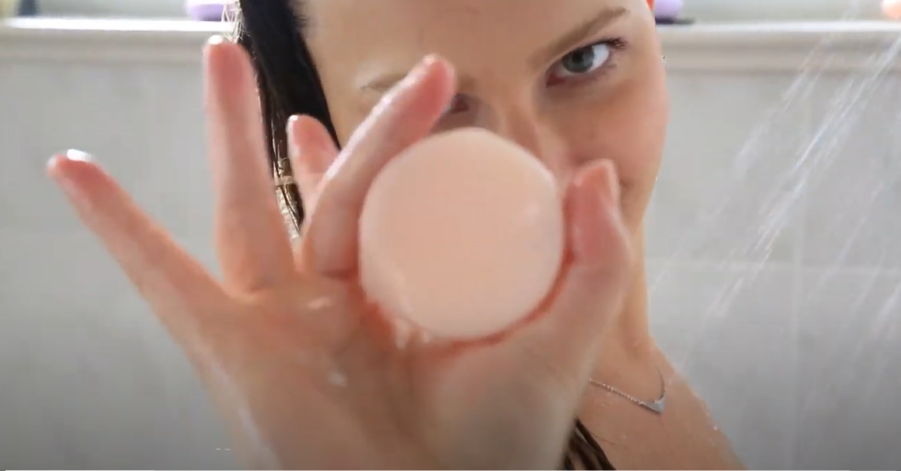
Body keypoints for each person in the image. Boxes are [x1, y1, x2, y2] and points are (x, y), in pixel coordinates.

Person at [45, 0, 745, 468]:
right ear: (327, 126)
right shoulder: (413, 438)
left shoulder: (672, 366)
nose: (541, 172)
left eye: (584, 60)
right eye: (438, 105)